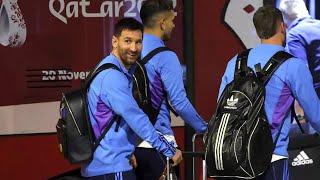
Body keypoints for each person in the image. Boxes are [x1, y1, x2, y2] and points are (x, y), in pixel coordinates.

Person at [218, 5, 320, 180]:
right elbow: (315, 115)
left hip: (234, 157)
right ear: (282, 27)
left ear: (258, 32)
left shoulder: (235, 62)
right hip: (271, 159)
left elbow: (221, 105)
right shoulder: (292, 65)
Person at [81, 17, 182, 180]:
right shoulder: (112, 77)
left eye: (138, 42)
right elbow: (136, 118)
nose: (133, 48)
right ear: (115, 42)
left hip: (107, 165)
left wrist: (128, 151)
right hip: (111, 168)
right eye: (127, 41)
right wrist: (168, 149)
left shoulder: (113, 69)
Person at [134, 0, 208, 179]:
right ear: (162, 23)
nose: (174, 25)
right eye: (172, 20)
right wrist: (206, 129)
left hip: (131, 147)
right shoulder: (166, 56)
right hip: (159, 146)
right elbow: (179, 103)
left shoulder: (129, 52)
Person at [279, 0, 320, 130]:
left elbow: (301, 78)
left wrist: (300, 118)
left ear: (284, 20)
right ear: (305, 10)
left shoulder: (294, 36)